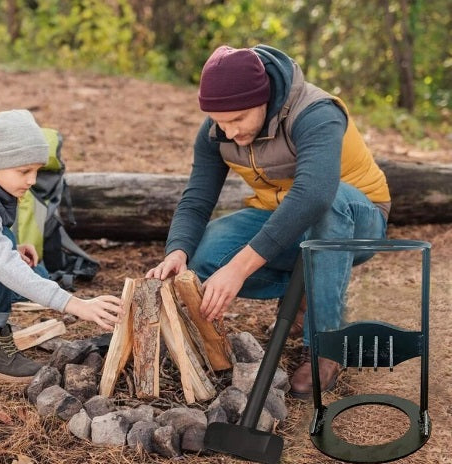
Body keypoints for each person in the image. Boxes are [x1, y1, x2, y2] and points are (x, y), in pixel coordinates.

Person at [146, 44, 390, 398]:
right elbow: (197, 197)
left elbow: (315, 195)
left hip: (357, 216)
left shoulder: (317, 113)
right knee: (206, 257)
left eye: (238, 120)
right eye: (220, 122)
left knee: (328, 203)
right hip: (283, 216)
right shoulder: (219, 127)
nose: (229, 132)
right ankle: (308, 287)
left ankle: (327, 345)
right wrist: (177, 250)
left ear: (264, 99)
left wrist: (241, 267)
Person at [0, 109, 124, 384]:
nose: (32, 180)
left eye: (36, 171)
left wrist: (11, 248)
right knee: (4, 269)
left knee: (28, 268)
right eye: (24, 171)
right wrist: (74, 304)